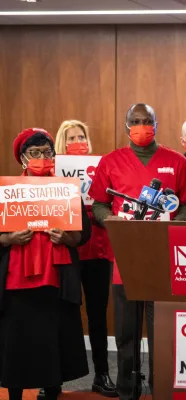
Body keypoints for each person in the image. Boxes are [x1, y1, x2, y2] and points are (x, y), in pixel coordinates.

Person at [88, 104, 186, 400]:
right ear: (126, 127)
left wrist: (175, 224)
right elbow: (98, 202)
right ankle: (128, 390)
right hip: (125, 259)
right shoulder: (111, 161)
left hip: (164, 257)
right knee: (125, 334)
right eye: (135, 121)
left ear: (156, 124)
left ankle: (161, 390)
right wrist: (107, 219)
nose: (141, 126)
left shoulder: (175, 162)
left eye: (146, 121)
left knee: (162, 331)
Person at [0, 128, 90, 400]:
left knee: (53, 340)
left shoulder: (66, 189)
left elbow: (83, 235)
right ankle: (14, 394)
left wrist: (67, 237)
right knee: (16, 341)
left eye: (47, 152)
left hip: (56, 280)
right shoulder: (8, 191)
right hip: (16, 280)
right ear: (22, 158)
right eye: (35, 153)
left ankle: (52, 390)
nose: (42, 157)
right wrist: (8, 238)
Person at [55, 120, 117, 397]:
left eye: (82, 136)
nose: (78, 141)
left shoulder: (102, 167)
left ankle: (102, 374)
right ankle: (52, 379)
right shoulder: (52, 172)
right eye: (71, 138)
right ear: (61, 144)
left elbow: (110, 203)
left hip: (98, 246)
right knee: (62, 313)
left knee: (97, 314)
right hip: (64, 248)